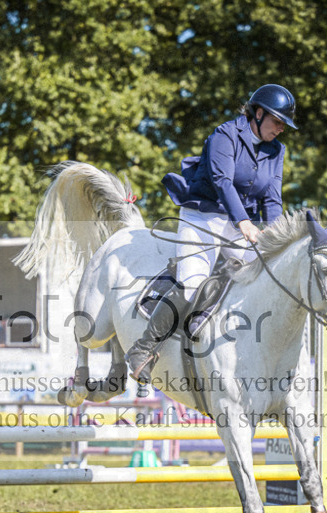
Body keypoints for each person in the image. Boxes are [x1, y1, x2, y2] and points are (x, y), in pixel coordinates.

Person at [125, 84, 298, 383]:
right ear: (258, 113)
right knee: (192, 284)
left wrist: (276, 236)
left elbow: (272, 197)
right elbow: (222, 181)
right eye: (278, 122)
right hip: (202, 216)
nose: (281, 129)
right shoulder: (224, 135)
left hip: (238, 222)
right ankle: (145, 348)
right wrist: (243, 221)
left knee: (267, 275)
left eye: (284, 124)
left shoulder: (276, 149)